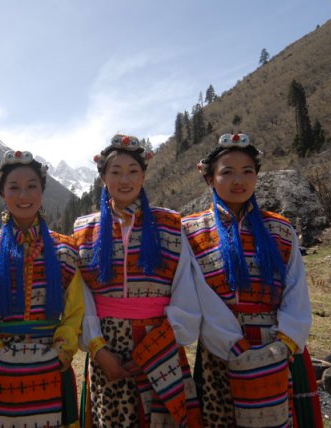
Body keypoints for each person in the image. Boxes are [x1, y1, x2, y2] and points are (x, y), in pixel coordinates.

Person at [181, 133, 323, 427]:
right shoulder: (191, 231)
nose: (239, 181)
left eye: (247, 171)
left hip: (279, 348)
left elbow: (296, 289)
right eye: (227, 172)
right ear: (210, 178)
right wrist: (233, 346)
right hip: (220, 352)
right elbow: (199, 294)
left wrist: (284, 343)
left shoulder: (279, 228)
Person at [74, 134, 202, 427]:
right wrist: (98, 349)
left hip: (160, 342)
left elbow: (185, 288)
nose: (125, 179)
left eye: (133, 171)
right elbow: (82, 295)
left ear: (144, 175)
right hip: (107, 346)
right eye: (115, 172)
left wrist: (156, 346)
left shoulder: (170, 224)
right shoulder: (84, 229)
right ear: (103, 178)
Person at [0, 150, 84, 428]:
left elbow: (75, 310)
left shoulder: (66, 248)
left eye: (32, 186)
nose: (23, 196)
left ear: (42, 190)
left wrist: (61, 351)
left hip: (53, 366)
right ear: (2, 192)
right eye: (14, 188)